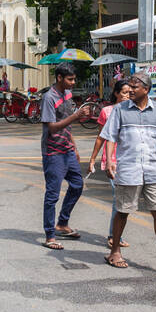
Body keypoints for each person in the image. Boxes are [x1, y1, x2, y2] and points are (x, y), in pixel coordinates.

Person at [100, 72, 156, 277]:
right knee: (123, 210)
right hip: (128, 168)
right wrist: (110, 161)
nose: (131, 90)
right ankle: (114, 252)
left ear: (146, 89)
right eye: (129, 86)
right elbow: (110, 137)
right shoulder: (120, 110)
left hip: (155, 169)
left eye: (135, 87)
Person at [39, 63, 95, 249]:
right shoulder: (49, 98)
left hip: (67, 149)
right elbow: (52, 126)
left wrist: (74, 147)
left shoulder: (68, 95)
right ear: (59, 78)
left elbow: (67, 126)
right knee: (52, 195)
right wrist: (76, 115)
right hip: (53, 152)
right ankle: (50, 235)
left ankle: (62, 223)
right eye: (70, 79)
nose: (73, 82)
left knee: (78, 185)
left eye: (74, 79)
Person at [88, 80, 133, 251]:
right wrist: (93, 159)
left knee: (124, 201)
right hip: (112, 161)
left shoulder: (133, 111)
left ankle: (116, 234)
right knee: (118, 199)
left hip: (129, 161)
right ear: (116, 93)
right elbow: (101, 137)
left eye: (129, 92)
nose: (127, 95)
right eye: (123, 92)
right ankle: (114, 236)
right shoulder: (107, 111)